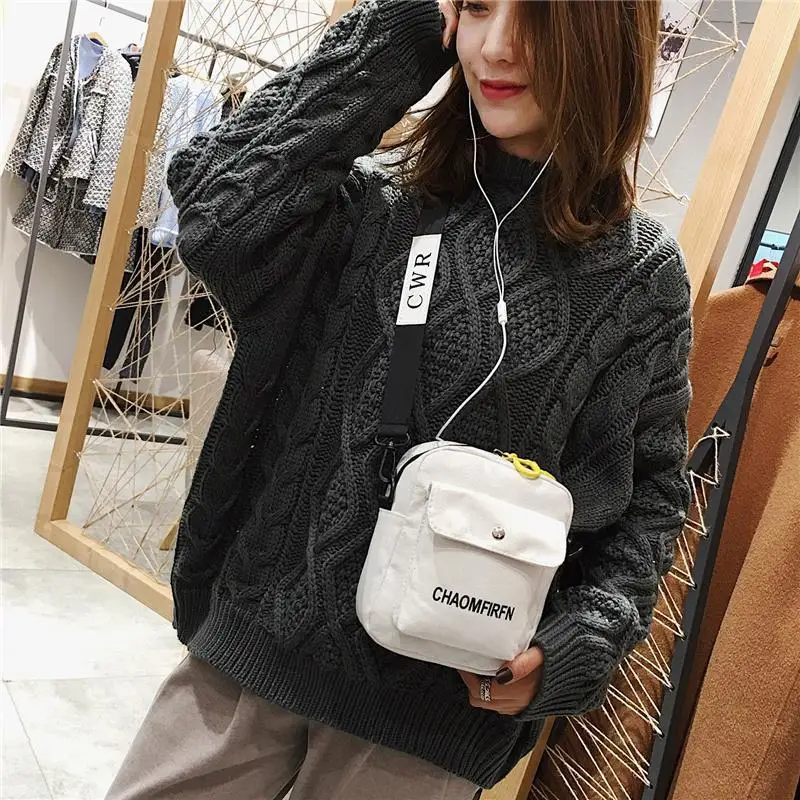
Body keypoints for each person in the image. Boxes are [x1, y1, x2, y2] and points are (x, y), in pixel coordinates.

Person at [106, 1, 692, 798]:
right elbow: (213, 209)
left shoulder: (637, 277)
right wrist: (405, 31)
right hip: (248, 661)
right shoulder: (370, 203)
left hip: (431, 714)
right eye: (477, 5)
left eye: (538, 15)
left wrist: (576, 645)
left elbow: (650, 500)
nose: (498, 45)